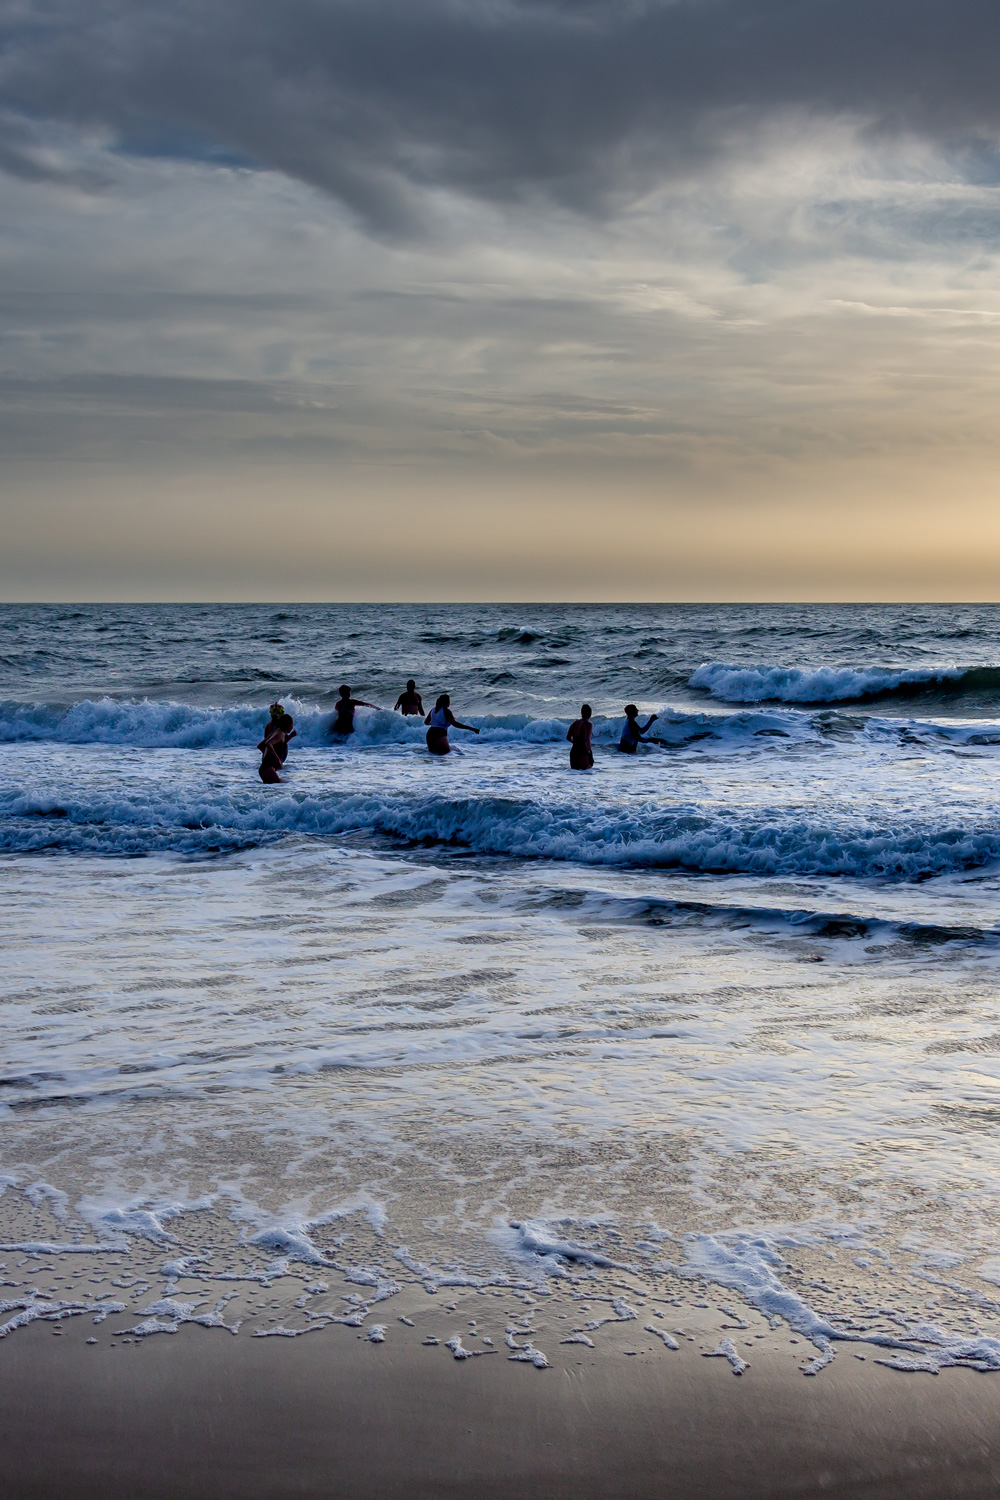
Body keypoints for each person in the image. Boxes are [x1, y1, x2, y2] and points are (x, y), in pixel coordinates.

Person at [258, 714, 293, 783]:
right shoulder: (281, 734)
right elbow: (268, 743)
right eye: (292, 724)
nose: (292, 727)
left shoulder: (276, 732)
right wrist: (276, 758)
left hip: (266, 768)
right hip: (268, 769)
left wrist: (268, 758)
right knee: (284, 787)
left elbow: (261, 746)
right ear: (288, 725)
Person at [566, 704, 594, 769]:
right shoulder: (588, 724)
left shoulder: (575, 723)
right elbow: (587, 740)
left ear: (581, 713)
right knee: (585, 775)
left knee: (574, 775)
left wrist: (576, 743)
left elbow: (568, 737)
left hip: (573, 752)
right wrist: (590, 753)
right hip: (582, 752)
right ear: (590, 714)